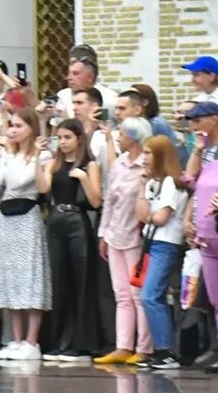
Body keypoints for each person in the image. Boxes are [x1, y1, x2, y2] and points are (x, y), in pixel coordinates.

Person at [0, 106, 53, 363]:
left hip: (27, 217)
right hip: (6, 218)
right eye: (10, 125)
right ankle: (15, 338)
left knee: (30, 277)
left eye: (18, 126)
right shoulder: (8, 156)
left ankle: (31, 341)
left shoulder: (42, 156)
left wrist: (34, 153)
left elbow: (24, 182)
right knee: (10, 277)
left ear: (31, 129)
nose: (12, 130)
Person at [42, 118, 105, 362]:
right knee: (60, 282)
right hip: (56, 222)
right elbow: (44, 188)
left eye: (67, 137)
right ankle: (59, 340)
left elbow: (96, 201)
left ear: (79, 139)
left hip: (78, 222)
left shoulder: (90, 164)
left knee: (81, 282)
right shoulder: (54, 163)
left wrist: (84, 177)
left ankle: (81, 343)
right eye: (59, 137)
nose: (63, 142)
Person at [96, 118, 155, 366]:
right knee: (121, 294)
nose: (118, 138)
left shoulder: (147, 165)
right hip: (115, 235)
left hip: (138, 238)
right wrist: (103, 232)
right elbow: (109, 199)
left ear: (134, 136)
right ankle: (122, 345)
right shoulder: (119, 164)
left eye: (122, 134)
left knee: (138, 293)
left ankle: (144, 347)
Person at [138, 136, 188, 370]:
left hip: (166, 243)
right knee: (151, 295)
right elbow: (140, 212)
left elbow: (161, 217)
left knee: (150, 295)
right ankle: (161, 349)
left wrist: (149, 215)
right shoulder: (152, 183)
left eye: (148, 153)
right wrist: (141, 186)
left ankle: (165, 351)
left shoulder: (170, 182)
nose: (144, 158)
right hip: (151, 241)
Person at [183, 103, 218, 372]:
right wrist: (188, 218)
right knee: (214, 297)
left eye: (198, 121)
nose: (193, 127)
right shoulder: (205, 153)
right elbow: (190, 181)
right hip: (206, 234)